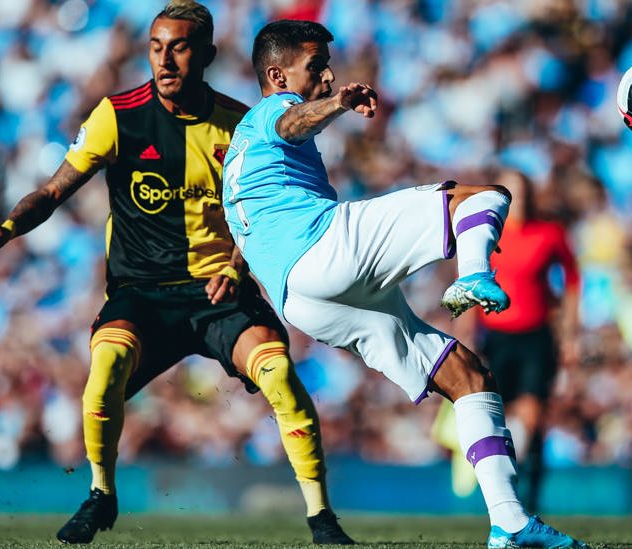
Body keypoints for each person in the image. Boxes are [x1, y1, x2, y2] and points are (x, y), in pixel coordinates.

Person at [0, 2, 352, 545]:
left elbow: (259, 216)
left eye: (180, 46)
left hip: (219, 291)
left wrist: (238, 269)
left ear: (209, 54)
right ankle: (101, 495)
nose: (165, 59)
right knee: (103, 372)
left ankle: (321, 517)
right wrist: (6, 229)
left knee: (280, 374)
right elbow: (53, 191)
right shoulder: (117, 115)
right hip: (141, 294)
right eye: (156, 46)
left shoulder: (240, 127)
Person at [222, 20, 588, 549]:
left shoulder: (239, 152)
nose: (326, 74)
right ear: (277, 75)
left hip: (300, 300)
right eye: (314, 66)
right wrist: (339, 104)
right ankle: (474, 277)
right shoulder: (269, 113)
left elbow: (248, 222)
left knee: (468, 377)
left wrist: (234, 267)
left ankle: (509, 524)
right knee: (483, 197)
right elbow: (294, 119)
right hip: (323, 249)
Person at [435, 170, 581, 512]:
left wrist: (570, 333)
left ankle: (528, 487)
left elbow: (573, 281)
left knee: (532, 415)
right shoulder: (489, 234)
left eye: (525, 190)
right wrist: (466, 329)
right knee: (493, 410)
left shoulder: (550, 234)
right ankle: (503, 488)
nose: (522, 199)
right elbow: (472, 278)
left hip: (536, 336)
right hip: (496, 337)